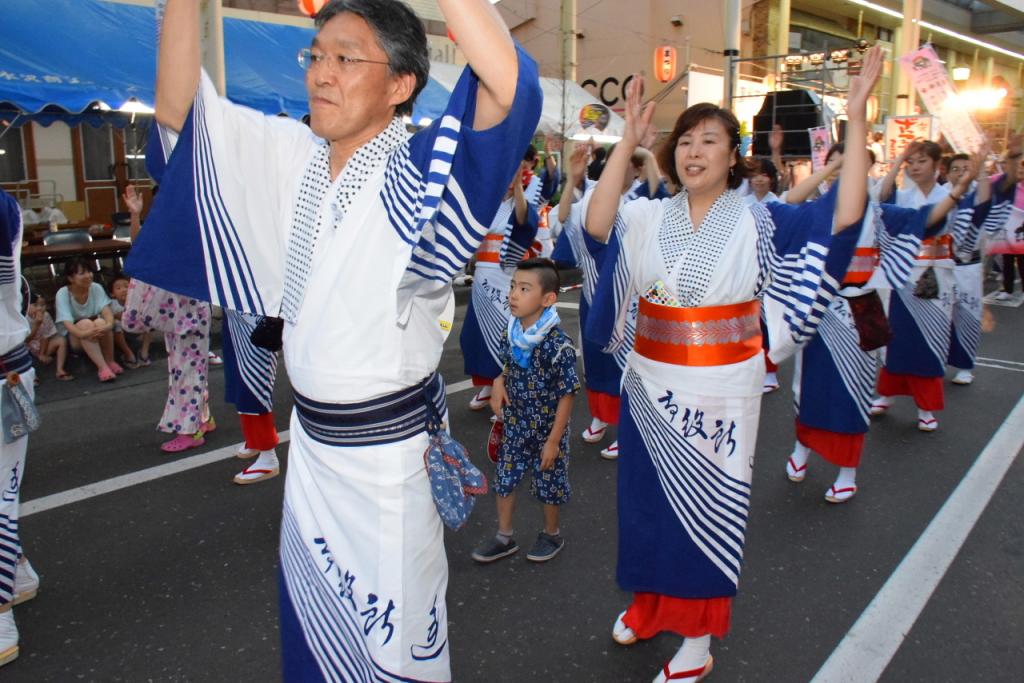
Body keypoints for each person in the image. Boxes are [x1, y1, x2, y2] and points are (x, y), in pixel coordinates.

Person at [128, 0, 541, 680]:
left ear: (401, 84)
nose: (321, 72)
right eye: (316, 55)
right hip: (314, 456)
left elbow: (507, 87)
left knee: (394, 651)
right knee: (316, 646)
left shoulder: (421, 168)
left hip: (390, 467)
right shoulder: (292, 155)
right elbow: (179, 110)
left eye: (346, 58)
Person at [580, 47, 881, 682]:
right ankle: (649, 606)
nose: (693, 151)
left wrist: (854, 119)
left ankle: (698, 637)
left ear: (732, 154)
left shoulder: (760, 218)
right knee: (644, 505)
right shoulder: (647, 214)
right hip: (649, 382)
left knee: (706, 511)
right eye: (684, 140)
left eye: (708, 141)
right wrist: (625, 143)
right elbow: (597, 223)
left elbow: (845, 217)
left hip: (722, 388)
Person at [787, 149, 985, 503]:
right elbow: (789, 200)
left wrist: (959, 188)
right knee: (808, 385)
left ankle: (848, 471)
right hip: (818, 309)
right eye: (841, 161)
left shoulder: (879, 212)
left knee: (853, 390)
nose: (848, 169)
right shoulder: (816, 209)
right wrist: (833, 167)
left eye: (856, 163)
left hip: (862, 308)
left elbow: (927, 219)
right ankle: (802, 448)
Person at [871, 141, 1000, 431]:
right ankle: (887, 393)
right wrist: (897, 160)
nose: (915, 167)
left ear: (937, 166)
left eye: (921, 161)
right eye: (911, 162)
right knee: (897, 337)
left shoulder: (950, 196)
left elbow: (979, 211)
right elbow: (882, 198)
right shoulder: (903, 197)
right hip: (903, 275)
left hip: (937, 275)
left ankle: (926, 407)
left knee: (931, 341)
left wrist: (979, 175)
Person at [471, 258, 579, 563]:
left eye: (524, 288)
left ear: (548, 299)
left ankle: (552, 534)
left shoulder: (558, 344)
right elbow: (507, 363)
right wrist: (499, 380)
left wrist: (554, 441)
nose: (513, 294)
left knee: (549, 484)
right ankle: (504, 537)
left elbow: (567, 394)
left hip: (548, 430)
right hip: (516, 424)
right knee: (504, 477)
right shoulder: (513, 330)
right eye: (513, 286)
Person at [121, 184, 215, 453]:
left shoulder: (192, 222)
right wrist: (136, 215)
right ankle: (202, 418)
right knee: (185, 368)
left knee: (186, 370)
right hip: (179, 311)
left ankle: (190, 430)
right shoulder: (179, 220)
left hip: (188, 311)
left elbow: (146, 250)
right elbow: (142, 247)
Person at [461, 159, 540, 410]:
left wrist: (517, 188)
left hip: (507, 278)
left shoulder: (521, 203)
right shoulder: (487, 204)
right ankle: (487, 384)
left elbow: (524, 220)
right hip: (483, 278)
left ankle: (509, 387)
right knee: (477, 335)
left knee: (507, 335)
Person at [0, 188, 41, 668]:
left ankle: (2, 604)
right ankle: (19, 570)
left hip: (5, 375)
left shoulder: (2, 207)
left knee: (2, 492)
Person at [221, 309, 282, 485]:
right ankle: (254, 440)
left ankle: (268, 456)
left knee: (253, 385)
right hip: (235, 311)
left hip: (256, 311)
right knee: (238, 380)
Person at [54, 258, 121, 382]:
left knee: (101, 322)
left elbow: (107, 313)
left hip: (95, 331)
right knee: (85, 324)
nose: (88, 276)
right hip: (75, 337)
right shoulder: (63, 293)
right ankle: (102, 368)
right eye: (82, 273)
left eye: (89, 272)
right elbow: (68, 324)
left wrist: (108, 325)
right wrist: (85, 333)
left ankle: (110, 361)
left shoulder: (96, 288)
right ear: (70, 278)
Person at [25, 295, 71, 381]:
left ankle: (60, 369)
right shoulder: (23, 319)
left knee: (61, 340)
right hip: (28, 347)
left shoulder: (46, 316)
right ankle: (32, 377)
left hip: (42, 345)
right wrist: (36, 325)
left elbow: (46, 336)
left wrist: (42, 354)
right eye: (35, 305)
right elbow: (25, 340)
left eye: (42, 305)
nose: (39, 308)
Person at [108, 275, 140, 368]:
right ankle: (128, 353)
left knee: (149, 319)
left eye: (127, 286)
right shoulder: (112, 304)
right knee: (116, 324)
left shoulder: (136, 301)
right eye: (118, 288)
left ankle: (144, 353)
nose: (124, 290)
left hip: (134, 329)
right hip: (119, 332)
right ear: (112, 294)